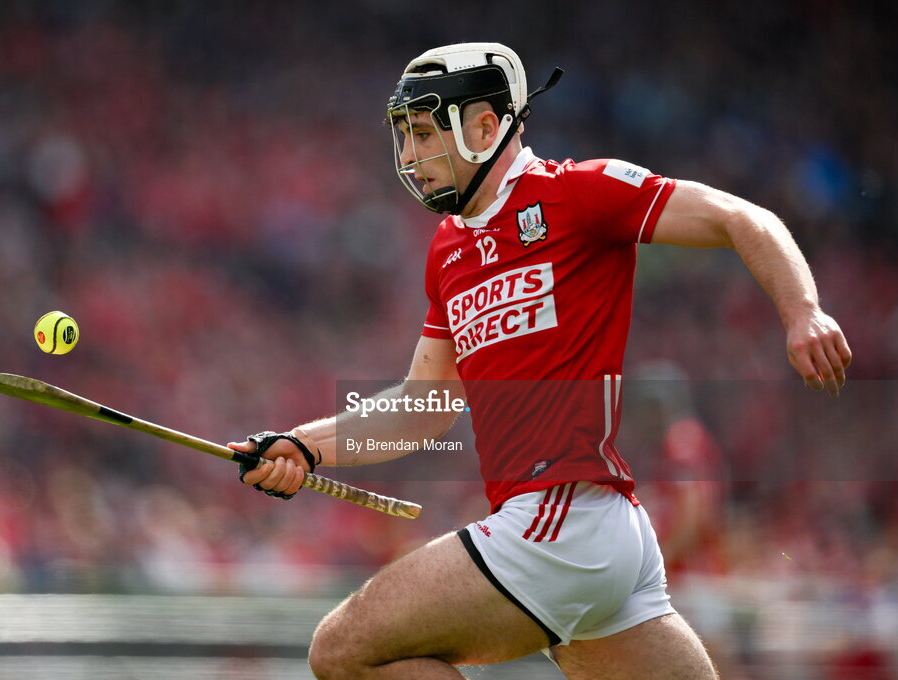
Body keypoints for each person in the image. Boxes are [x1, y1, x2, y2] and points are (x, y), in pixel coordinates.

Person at [229, 42, 852, 679]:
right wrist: (302, 447)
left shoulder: (579, 192)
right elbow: (424, 407)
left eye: (422, 133)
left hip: (564, 523)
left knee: (341, 651)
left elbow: (739, 215)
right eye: (403, 137)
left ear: (485, 126)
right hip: (592, 538)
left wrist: (803, 310)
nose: (410, 157)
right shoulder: (447, 251)